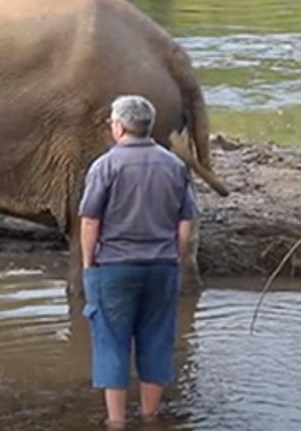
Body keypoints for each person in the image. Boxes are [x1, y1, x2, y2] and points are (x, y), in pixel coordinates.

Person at [79, 94, 198, 428]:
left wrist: (89, 263)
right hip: (161, 266)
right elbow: (186, 219)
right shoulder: (174, 165)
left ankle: (116, 422)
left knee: (111, 343)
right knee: (157, 340)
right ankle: (150, 417)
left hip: (114, 267)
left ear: (118, 127)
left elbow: (90, 221)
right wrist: (175, 253)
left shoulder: (105, 165)